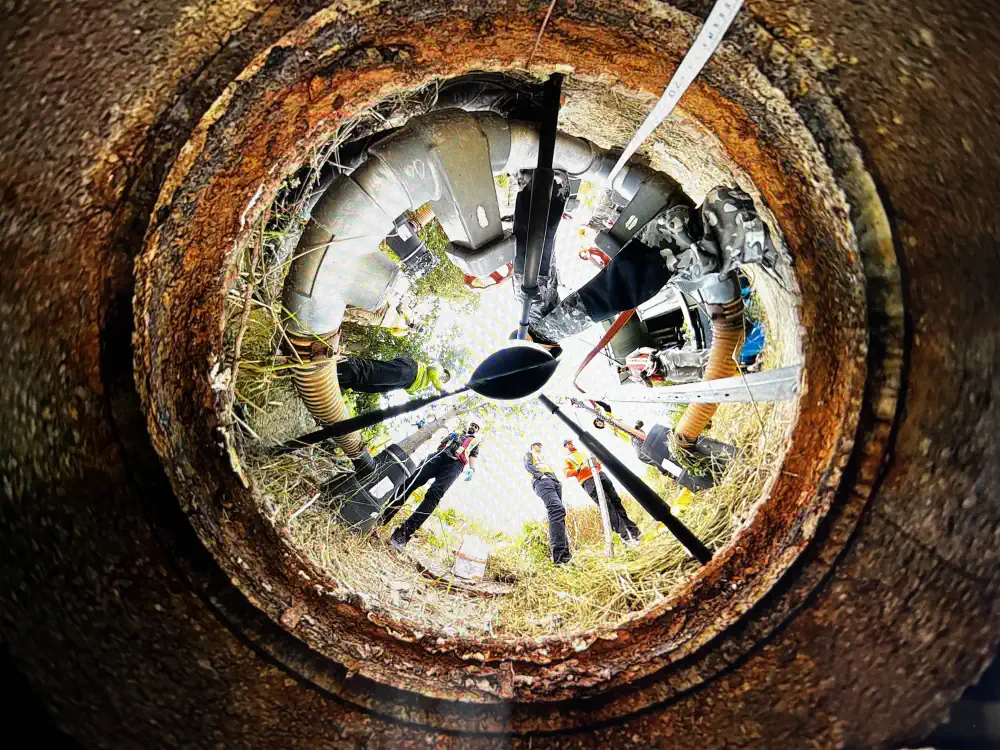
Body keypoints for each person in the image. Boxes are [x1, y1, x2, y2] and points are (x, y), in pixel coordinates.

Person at [528, 186, 776, 345]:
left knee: (637, 275)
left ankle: (736, 225)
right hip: (667, 248)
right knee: (641, 275)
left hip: (668, 243)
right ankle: (734, 226)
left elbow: (611, 293)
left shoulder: (538, 320)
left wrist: (542, 338)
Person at [379, 422, 481, 552]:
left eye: (476, 427)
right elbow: (441, 439)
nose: (473, 427)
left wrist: (472, 469)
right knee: (411, 480)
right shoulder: (458, 430)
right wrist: (448, 436)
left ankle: (402, 536)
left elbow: (473, 455)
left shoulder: (476, 441)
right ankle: (381, 518)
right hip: (439, 456)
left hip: (455, 466)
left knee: (434, 494)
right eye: (472, 424)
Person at [562, 439, 641, 543]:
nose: (570, 444)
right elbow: (567, 473)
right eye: (567, 444)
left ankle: (634, 531)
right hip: (588, 481)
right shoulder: (567, 459)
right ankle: (626, 537)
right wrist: (578, 469)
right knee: (607, 507)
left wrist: (597, 464)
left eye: (570, 442)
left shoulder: (584, 451)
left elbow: (597, 461)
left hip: (600, 475)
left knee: (616, 501)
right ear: (565, 447)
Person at [523, 441, 572, 565]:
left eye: (540, 444)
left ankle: (566, 557)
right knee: (556, 509)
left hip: (554, 482)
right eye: (536, 444)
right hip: (542, 481)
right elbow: (528, 466)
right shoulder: (529, 454)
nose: (539, 446)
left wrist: (557, 481)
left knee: (559, 513)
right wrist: (541, 476)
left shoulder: (543, 458)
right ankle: (560, 559)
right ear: (531, 446)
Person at [336, 356, 451, 395]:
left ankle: (340, 381)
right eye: (446, 376)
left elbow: (412, 389)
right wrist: (440, 388)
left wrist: (412, 391)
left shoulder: (430, 382)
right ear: (445, 372)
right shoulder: (439, 368)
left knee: (372, 387)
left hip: (405, 383)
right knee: (373, 373)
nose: (444, 379)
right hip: (411, 371)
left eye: (445, 380)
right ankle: (339, 368)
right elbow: (431, 370)